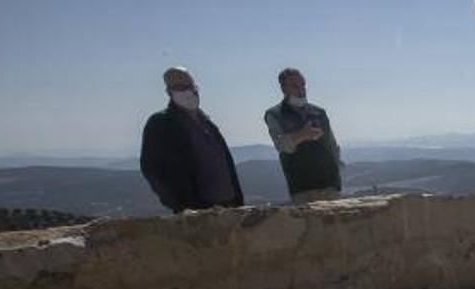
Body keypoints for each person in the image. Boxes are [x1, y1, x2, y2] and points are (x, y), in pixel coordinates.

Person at [140, 67, 243, 213]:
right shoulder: (161, 123)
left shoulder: (207, 122)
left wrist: (238, 202)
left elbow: (225, 163)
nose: (187, 91)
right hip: (197, 211)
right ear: (169, 92)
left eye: (189, 86)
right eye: (179, 87)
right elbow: (151, 168)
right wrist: (180, 205)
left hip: (229, 206)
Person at [264, 68, 343, 203]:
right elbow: (282, 145)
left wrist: (337, 171)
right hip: (303, 189)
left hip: (330, 185)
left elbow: (332, 144)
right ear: (283, 88)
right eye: (295, 86)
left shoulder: (318, 112)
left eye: (303, 85)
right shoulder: (275, 114)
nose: (301, 89)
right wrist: (302, 135)